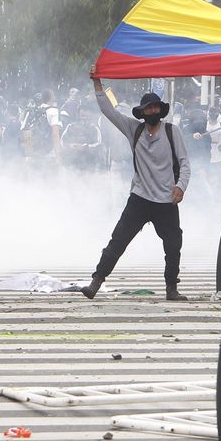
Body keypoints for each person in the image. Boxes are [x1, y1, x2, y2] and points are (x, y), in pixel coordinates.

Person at [84, 66, 191, 301]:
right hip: (140, 198)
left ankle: (171, 288)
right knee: (118, 240)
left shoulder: (173, 132)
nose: (152, 111)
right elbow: (108, 111)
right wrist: (97, 82)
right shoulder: (134, 129)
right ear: (142, 113)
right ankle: (96, 281)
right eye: (148, 108)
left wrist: (180, 186)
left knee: (173, 246)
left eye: (155, 107)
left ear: (160, 111)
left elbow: (184, 164)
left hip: (166, 200)